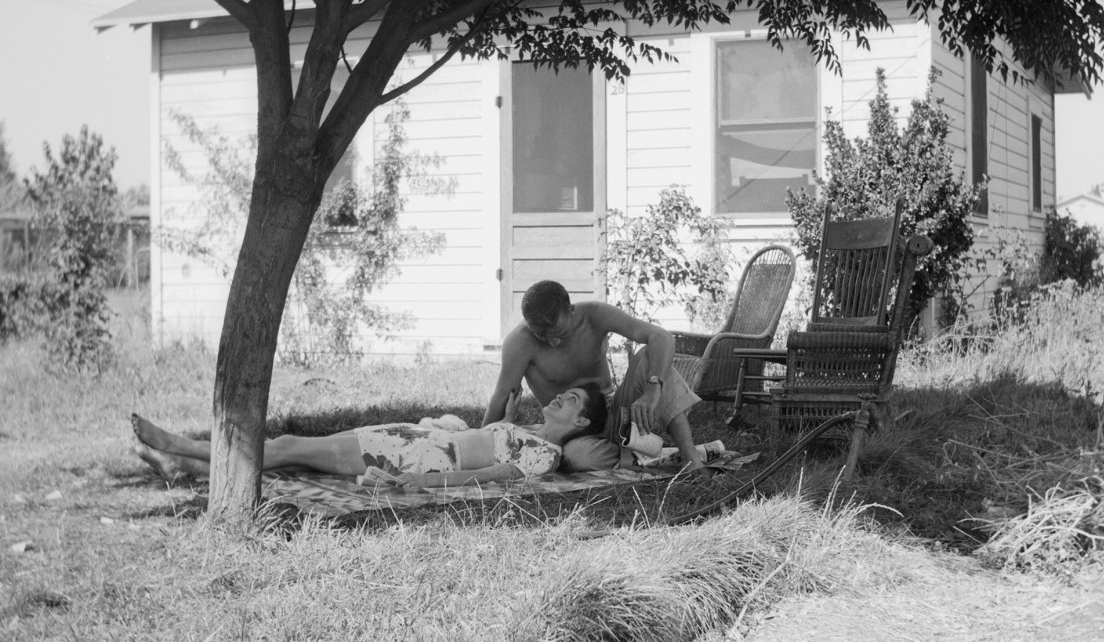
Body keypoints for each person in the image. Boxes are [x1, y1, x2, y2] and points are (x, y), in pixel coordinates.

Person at [131, 383, 608, 488]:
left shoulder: (546, 455)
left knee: (288, 448)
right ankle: (186, 467)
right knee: (294, 459)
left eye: (570, 401)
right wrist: (505, 417)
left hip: (417, 457)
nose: (558, 398)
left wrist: (423, 482)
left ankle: (181, 446)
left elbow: (491, 475)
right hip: (411, 440)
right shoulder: (527, 429)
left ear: (582, 423)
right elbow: (488, 442)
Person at [482, 280, 705, 471]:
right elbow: (502, 396)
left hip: (614, 414)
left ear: (571, 310)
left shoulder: (595, 315)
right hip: (571, 434)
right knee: (577, 457)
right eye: (543, 337)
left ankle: (690, 459)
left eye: (560, 334)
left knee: (650, 357)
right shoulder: (519, 342)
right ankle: (637, 456)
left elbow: (662, 337)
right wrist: (478, 442)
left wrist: (652, 389)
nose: (554, 342)